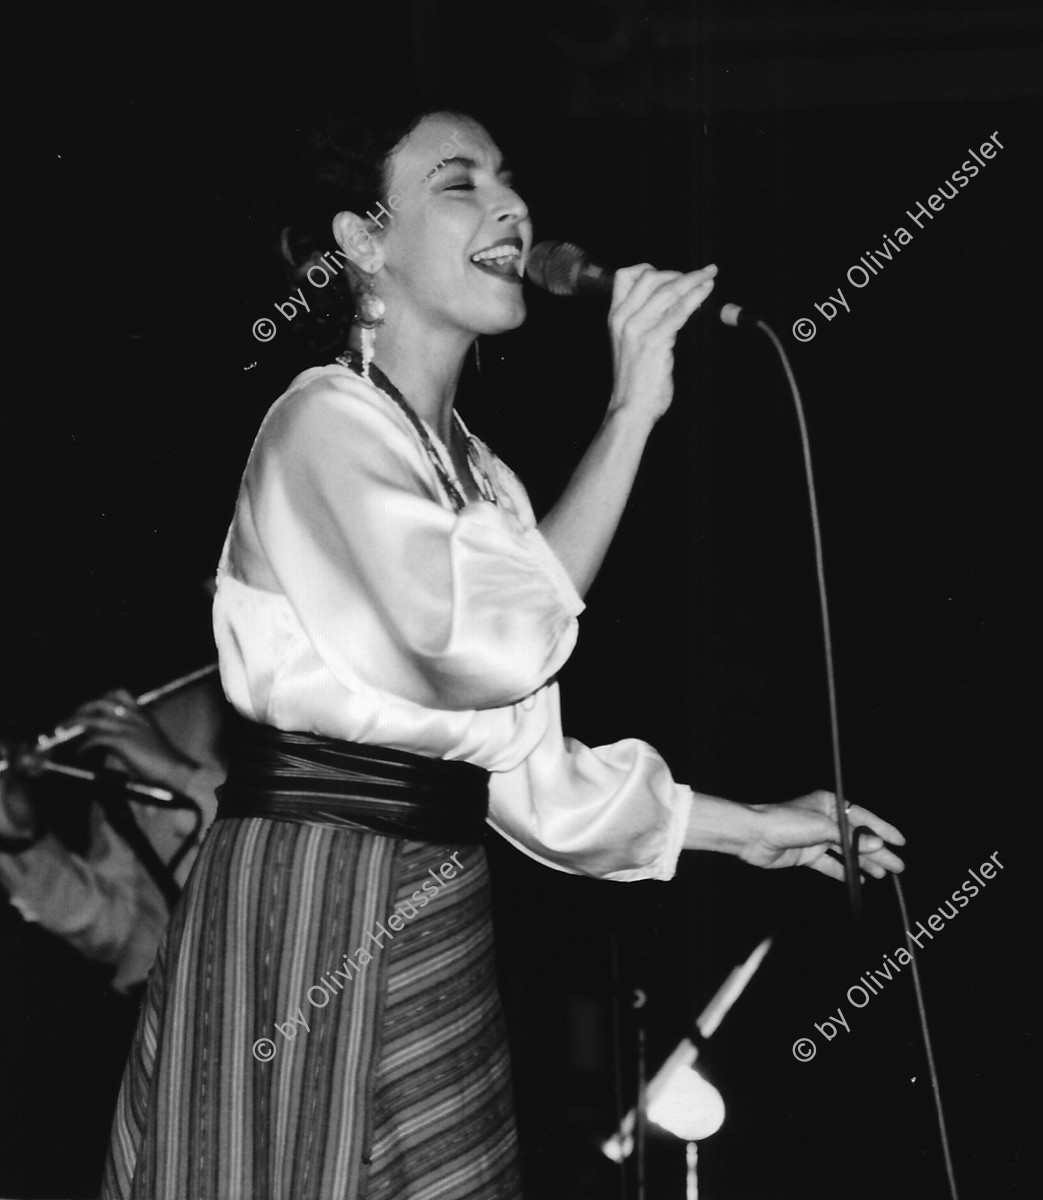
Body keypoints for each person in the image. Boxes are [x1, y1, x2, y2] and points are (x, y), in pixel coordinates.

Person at [101, 108, 905, 1200]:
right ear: (364, 239)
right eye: (459, 183)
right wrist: (631, 412)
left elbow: (535, 777)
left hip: (435, 892)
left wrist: (753, 830)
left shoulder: (487, 482)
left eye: (509, 180)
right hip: (305, 894)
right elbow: (479, 648)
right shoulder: (322, 427)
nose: (511, 208)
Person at [1, 675, 227, 994]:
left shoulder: (313, 702)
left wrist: (180, 775)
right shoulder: (159, 720)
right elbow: (121, 929)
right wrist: (23, 839)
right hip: (166, 1002)